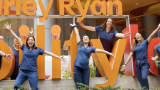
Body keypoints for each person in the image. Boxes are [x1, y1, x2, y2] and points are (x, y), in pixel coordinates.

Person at [3, 22, 65, 90]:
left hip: (32, 72)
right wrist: (10, 30)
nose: (30, 41)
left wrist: (58, 57)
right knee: (16, 86)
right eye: (29, 40)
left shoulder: (37, 49)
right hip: (23, 72)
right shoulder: (24, 47)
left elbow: (48, 52)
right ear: (27, 42)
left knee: (34, 88)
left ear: (34, 42)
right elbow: (17, 38)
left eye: (32, 40)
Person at [70, 23, 115, 89]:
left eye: (87, 38)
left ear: (88, 40)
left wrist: (110, 53)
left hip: (85, 69)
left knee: (86, 86)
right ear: (82, 40)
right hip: (77, 68)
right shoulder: (80, 45)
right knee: (79, 86)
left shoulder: (91, 48)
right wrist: (74, 26)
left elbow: (101, 50)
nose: (85, 38)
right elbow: (77, 34)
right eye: (84, 38)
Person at [120, 23, 160, 90]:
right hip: (137, 64)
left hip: (144, 63)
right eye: (136, 35)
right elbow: (130, 55)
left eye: (139, 35)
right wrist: (125, 64)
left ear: (141, 36)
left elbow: (152, 35)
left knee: (144, 77)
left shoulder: (145, 42)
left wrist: (158, 28)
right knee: (140, 79)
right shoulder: (134, 46)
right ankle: (143, 89)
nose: (138, 36)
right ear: (135, 38)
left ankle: (147, 89)